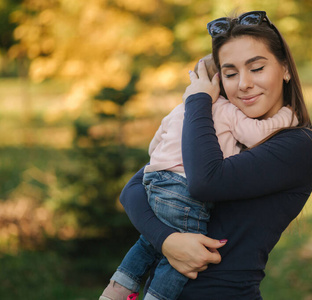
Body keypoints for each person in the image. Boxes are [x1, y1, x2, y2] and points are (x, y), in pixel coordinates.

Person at [119, 10, 312, 300]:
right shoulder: (218, 125)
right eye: (230, 73)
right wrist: (167, 241)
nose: (243, 84)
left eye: (257, 68)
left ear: (286, 69)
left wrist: (198, 100)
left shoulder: (299, 145)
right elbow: (132, 190)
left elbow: (205, 181)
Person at [100, 53, 298, 300]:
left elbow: (154, 145)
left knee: (147, 243)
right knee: (185, 254)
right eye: (231, 75)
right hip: (183, 189)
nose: (241, 84)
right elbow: (256, 134)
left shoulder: (181, 108)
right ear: (219, 82)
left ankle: (117, 289)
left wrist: (162, 164)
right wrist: (287, 116)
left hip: (156, 179)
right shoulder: (224, 109)